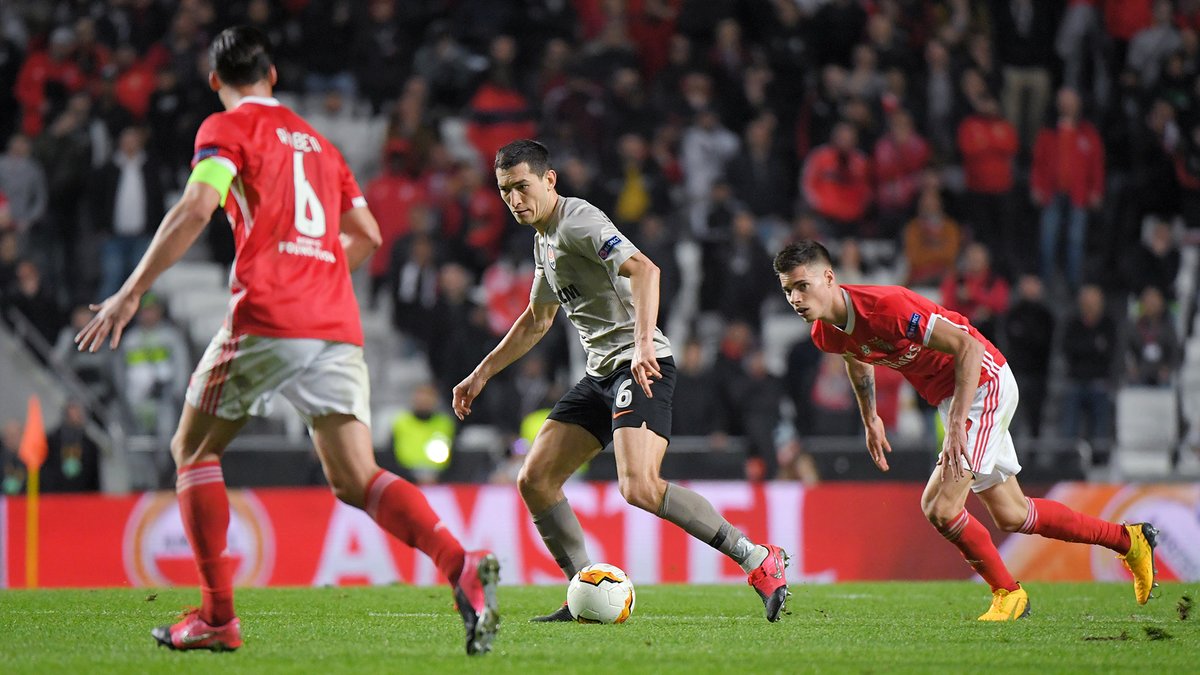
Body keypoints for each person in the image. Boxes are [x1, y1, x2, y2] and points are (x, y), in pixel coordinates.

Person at [74, 27, 499, 656]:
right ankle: (458, 562)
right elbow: (368, 234)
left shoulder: (225, 129)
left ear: (214, 81)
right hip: (335, 322)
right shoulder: (321, 145)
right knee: (356, 477)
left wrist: (132, 290)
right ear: (272, 75)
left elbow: (196, 207)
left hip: (270, 314)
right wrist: (317, 272)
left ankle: (218, 617)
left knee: (192, 450)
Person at [453, 139, 791, 623]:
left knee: (640, 486)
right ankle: (585, 588)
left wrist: (644, 343)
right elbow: (537, 319)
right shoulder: (544, 237)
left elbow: (646, 270)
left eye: (522, 187)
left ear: (549, 180)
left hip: (641, 364)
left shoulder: (578, 220)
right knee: (536, 480)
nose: (514, 199)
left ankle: (758, 558)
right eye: (505, 190)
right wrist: (480, 373)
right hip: (600, 374)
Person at [772, 240, 1157, 620]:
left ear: (829, 278)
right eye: (788, 290)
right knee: (1012, 514)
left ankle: (1008, 594)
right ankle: (1128, 540)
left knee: (940, 507)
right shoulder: (825, 333)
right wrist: (870, 416)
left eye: (803, 286)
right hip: (953, 398)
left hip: (983, 383)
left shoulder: (886, 306)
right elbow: (855, 355)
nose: (795, 299)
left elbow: (968, 347)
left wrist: (956, 424)